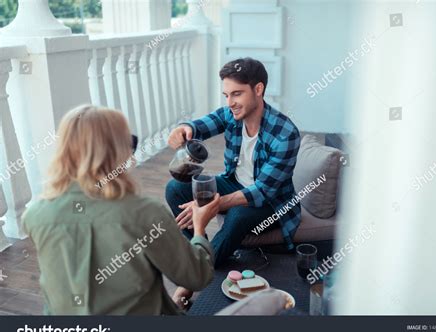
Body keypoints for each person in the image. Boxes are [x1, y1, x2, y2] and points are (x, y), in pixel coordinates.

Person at [21, 105, 219, 315]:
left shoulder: (35, 215)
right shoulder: (146, 214)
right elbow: (197, 277)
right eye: (130, 142)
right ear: (117, 152)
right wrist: (199, 229)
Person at [166, 58, 301, 302]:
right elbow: (200, 126)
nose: (230, 103)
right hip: (235, 182)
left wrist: (211, 206)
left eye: (236, 94)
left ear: (258, 90)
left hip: (272, 203)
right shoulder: (231, 114)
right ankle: (201, 250)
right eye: (226, 95)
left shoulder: (285, 133)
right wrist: (184, 128)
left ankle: (191, 279)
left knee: (237, 215)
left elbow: (261, 192)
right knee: (176, 189)